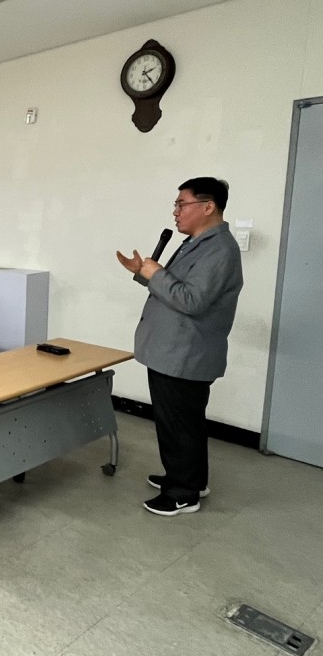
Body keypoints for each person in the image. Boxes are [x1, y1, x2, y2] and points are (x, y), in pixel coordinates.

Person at [116, 177, 243, 517]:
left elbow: (191, 300)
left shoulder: (220, 249)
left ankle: (183, 493)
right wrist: (143, 272)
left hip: (186, 353)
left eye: (181, 204)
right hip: (172, 351)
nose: (175, 211)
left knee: (180, 426)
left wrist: (155, 273)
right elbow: (174, 289)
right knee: (182, 423)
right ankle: (187, 478)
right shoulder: (197, 243)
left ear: (208, 206)